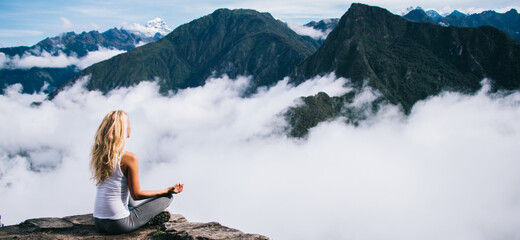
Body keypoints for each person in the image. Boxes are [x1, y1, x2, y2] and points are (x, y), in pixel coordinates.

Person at [90, 110, 183, 234]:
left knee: (126, 193)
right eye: (127, 123)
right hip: (119, 224)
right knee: (167, 198)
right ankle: (147, 219)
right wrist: (167, 190)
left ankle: (144, 216)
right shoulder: (129, 158)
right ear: (122, 129)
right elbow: (137, 194)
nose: (130, 127)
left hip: (99, 221)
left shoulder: (101, 155)